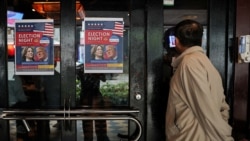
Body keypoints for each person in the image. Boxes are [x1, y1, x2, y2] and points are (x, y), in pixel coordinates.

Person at [165, 19, 234, 141]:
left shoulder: (190, 64)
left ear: (176, 41)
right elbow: (222, 105)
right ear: (201, 41)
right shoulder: (203, 62)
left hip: (192, 136)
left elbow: (206, 108)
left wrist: (225, 137)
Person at [76, 63, 110, 141]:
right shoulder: (81, 67)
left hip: (93, 96)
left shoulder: (95, 66)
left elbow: (104, 78)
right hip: (88, 97)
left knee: (99, 123)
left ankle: (101, 138)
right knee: (88, 125)